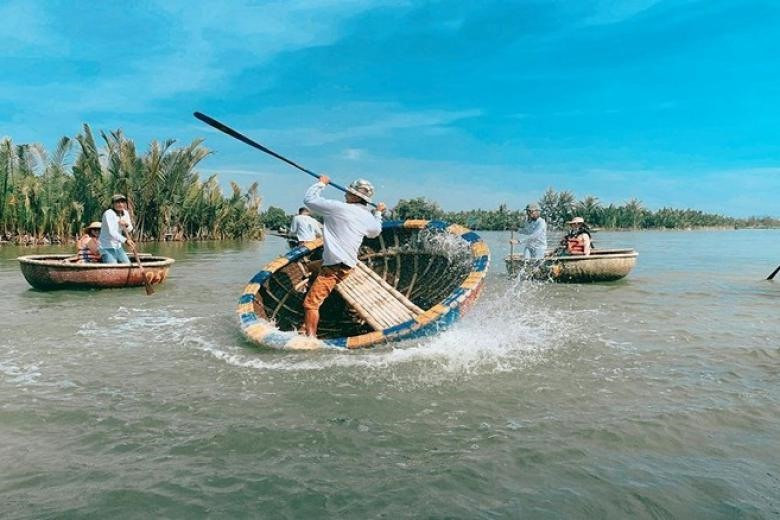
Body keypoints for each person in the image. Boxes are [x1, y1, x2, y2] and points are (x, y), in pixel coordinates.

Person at [302, 176, 385, 337]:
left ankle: (310, 339)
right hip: (348, 266)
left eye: (349, 191)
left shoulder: (338, 207)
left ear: (355, 197)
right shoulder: (368, 216)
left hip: (334, 268)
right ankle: (312, 278)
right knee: (311, 267)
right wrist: (378, 213)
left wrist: (321, 183)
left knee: (310, 305)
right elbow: (375, 232)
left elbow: (309, 200)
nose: (346, 193)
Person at [99, 194, 136, 264]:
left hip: (118, 246)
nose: (120, 204)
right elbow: (112, 232)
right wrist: (125, 241)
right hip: (106, 247)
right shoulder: (108, 214)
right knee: (113, 266)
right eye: (117, 202)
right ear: (113, 204)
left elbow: (130, 229)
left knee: (128, 264)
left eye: (122, 202)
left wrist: (126, 224)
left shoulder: (125, 213)